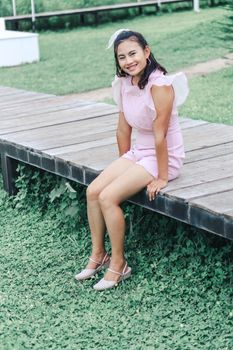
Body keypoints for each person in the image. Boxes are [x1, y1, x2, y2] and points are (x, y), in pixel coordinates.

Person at [75, 29, 189, 291]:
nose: (128, 61)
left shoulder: (160, 86)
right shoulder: (125, 83)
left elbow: (160, 137)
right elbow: (123, 130)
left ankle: (119, 264)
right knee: (93, 191)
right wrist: (123, 167)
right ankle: (98, 255)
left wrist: (162, 177)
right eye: (122, 57)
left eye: (133, 53)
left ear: (146, 52)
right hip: (140, 153)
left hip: (165, 156)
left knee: (108, 197)